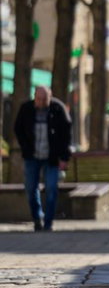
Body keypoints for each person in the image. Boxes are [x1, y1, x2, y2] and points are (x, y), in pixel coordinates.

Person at [12, 86, 72, 232]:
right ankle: (37, 217)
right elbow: (18, 129)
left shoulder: (58, 109)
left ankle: (48, 222)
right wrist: (25, 147)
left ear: (50, 97)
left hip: (52, 157)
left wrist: (64, 157)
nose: (41, 102)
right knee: (31, 188)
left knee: (52, 188)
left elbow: (66, 135)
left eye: (44, 99)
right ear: (34, 97)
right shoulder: (26, 109)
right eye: (38, 99)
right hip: (32, 156)